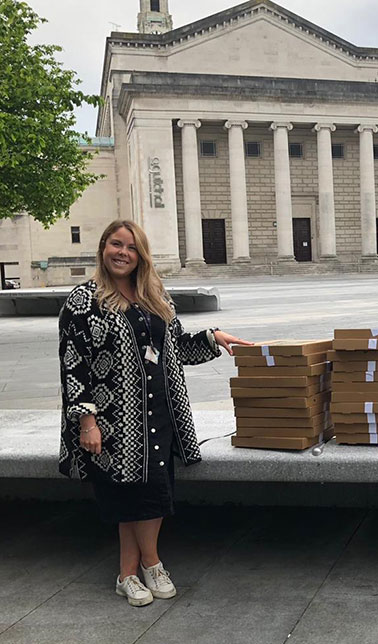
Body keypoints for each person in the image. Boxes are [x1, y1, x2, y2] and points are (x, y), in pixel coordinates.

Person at [58, 220, 252, 607]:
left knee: (154, 494)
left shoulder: (154, 295)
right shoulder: (84, 300)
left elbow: (175, 346)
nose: (122, 253)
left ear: (141, 255)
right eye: (116, 244)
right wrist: (87, 420)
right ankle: (151, 563)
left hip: (160, 412)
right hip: (115, 421)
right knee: (129, 498)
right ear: (103, 247)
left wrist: (213, 338)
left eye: (131, 248)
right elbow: (72, 365)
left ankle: (128, 575)